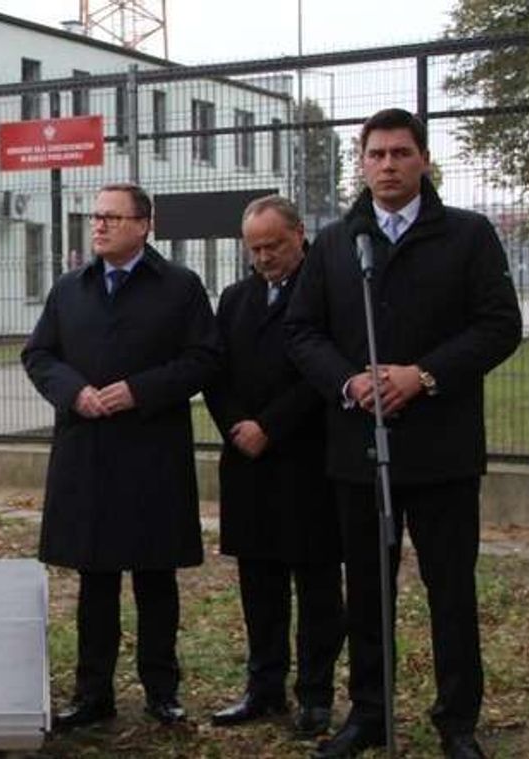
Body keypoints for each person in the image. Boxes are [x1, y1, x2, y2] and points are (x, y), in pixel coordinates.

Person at [284, 108, 522, 759]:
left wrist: (424, 375)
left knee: (451, 589)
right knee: (367, 590)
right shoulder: (336, 242)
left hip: (443, 450)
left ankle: (458, 720)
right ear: (361, 163)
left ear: (424, 159)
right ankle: (369, 712)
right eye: (376, 154)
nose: (387, 165)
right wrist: (348, 382)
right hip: (359, 450)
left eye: (400, 153)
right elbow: (302, 331)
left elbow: (500, 325)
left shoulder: (468, 236)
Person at [22, 182, 220, 729]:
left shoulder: (179, 287)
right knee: (96, 580)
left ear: (144, 225)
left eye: (113, 217)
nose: (100, 225)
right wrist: (73, 392)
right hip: (89, 452)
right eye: (96, 217)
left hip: (152, 453)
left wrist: (139, 390)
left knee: (156, 579)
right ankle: (93, 694)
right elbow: (39, 354)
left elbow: (205, 359)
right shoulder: (71, 288)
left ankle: (162, 691)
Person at [204, 195, 344, 739]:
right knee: (258, 585)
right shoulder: (236, 299)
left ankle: (315, 695)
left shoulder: (326, 291)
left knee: (315, 587)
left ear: (299, 235)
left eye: (274, 246)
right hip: (247, 463)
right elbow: (215, 371)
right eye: (255, 248)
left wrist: (270, 425)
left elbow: (324, 372)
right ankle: (263, 688)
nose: (264, 257)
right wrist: (236, 425)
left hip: (307, 460)